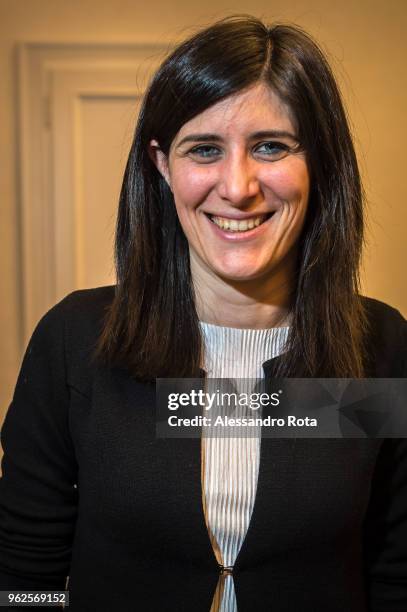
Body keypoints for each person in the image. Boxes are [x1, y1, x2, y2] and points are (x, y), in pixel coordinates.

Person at [1, 15, 406, 612]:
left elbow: (394, 569)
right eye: (205, 149)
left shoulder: (379, 346)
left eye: (271, 146)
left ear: (317, 162)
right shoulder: (78, 340)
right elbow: (24, 567)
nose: (237, 186)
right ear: (162, 166)